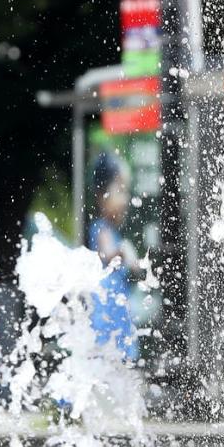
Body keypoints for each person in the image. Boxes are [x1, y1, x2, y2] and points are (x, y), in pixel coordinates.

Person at [87, 152, 142, 362]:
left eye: (126, 191)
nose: (126, 199)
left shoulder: (113, 233)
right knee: (109, 361)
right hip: (106, 314)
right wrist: (123, 251)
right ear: (101, 195)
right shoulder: (102, 230)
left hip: (117, 312)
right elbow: (107, 254)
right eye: (120, 190)